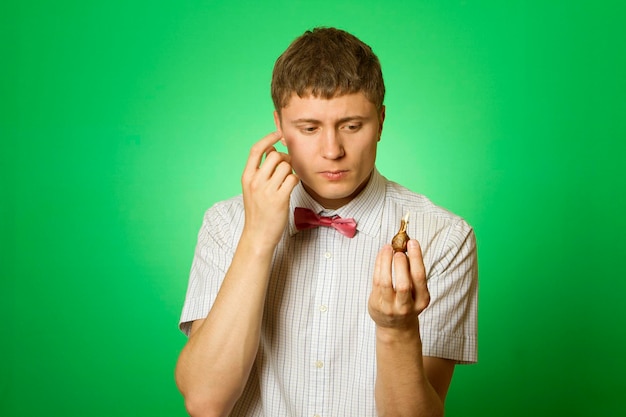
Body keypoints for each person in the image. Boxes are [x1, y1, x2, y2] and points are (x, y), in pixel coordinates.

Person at [175, 27, 478, 417]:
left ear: (381, 121)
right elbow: (205, 402)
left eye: (352, 126)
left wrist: (396, 329)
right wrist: (257, 238)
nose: (332, 151)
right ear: (280, 126)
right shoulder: (225, 224)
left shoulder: (444, 238)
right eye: (309, 128)